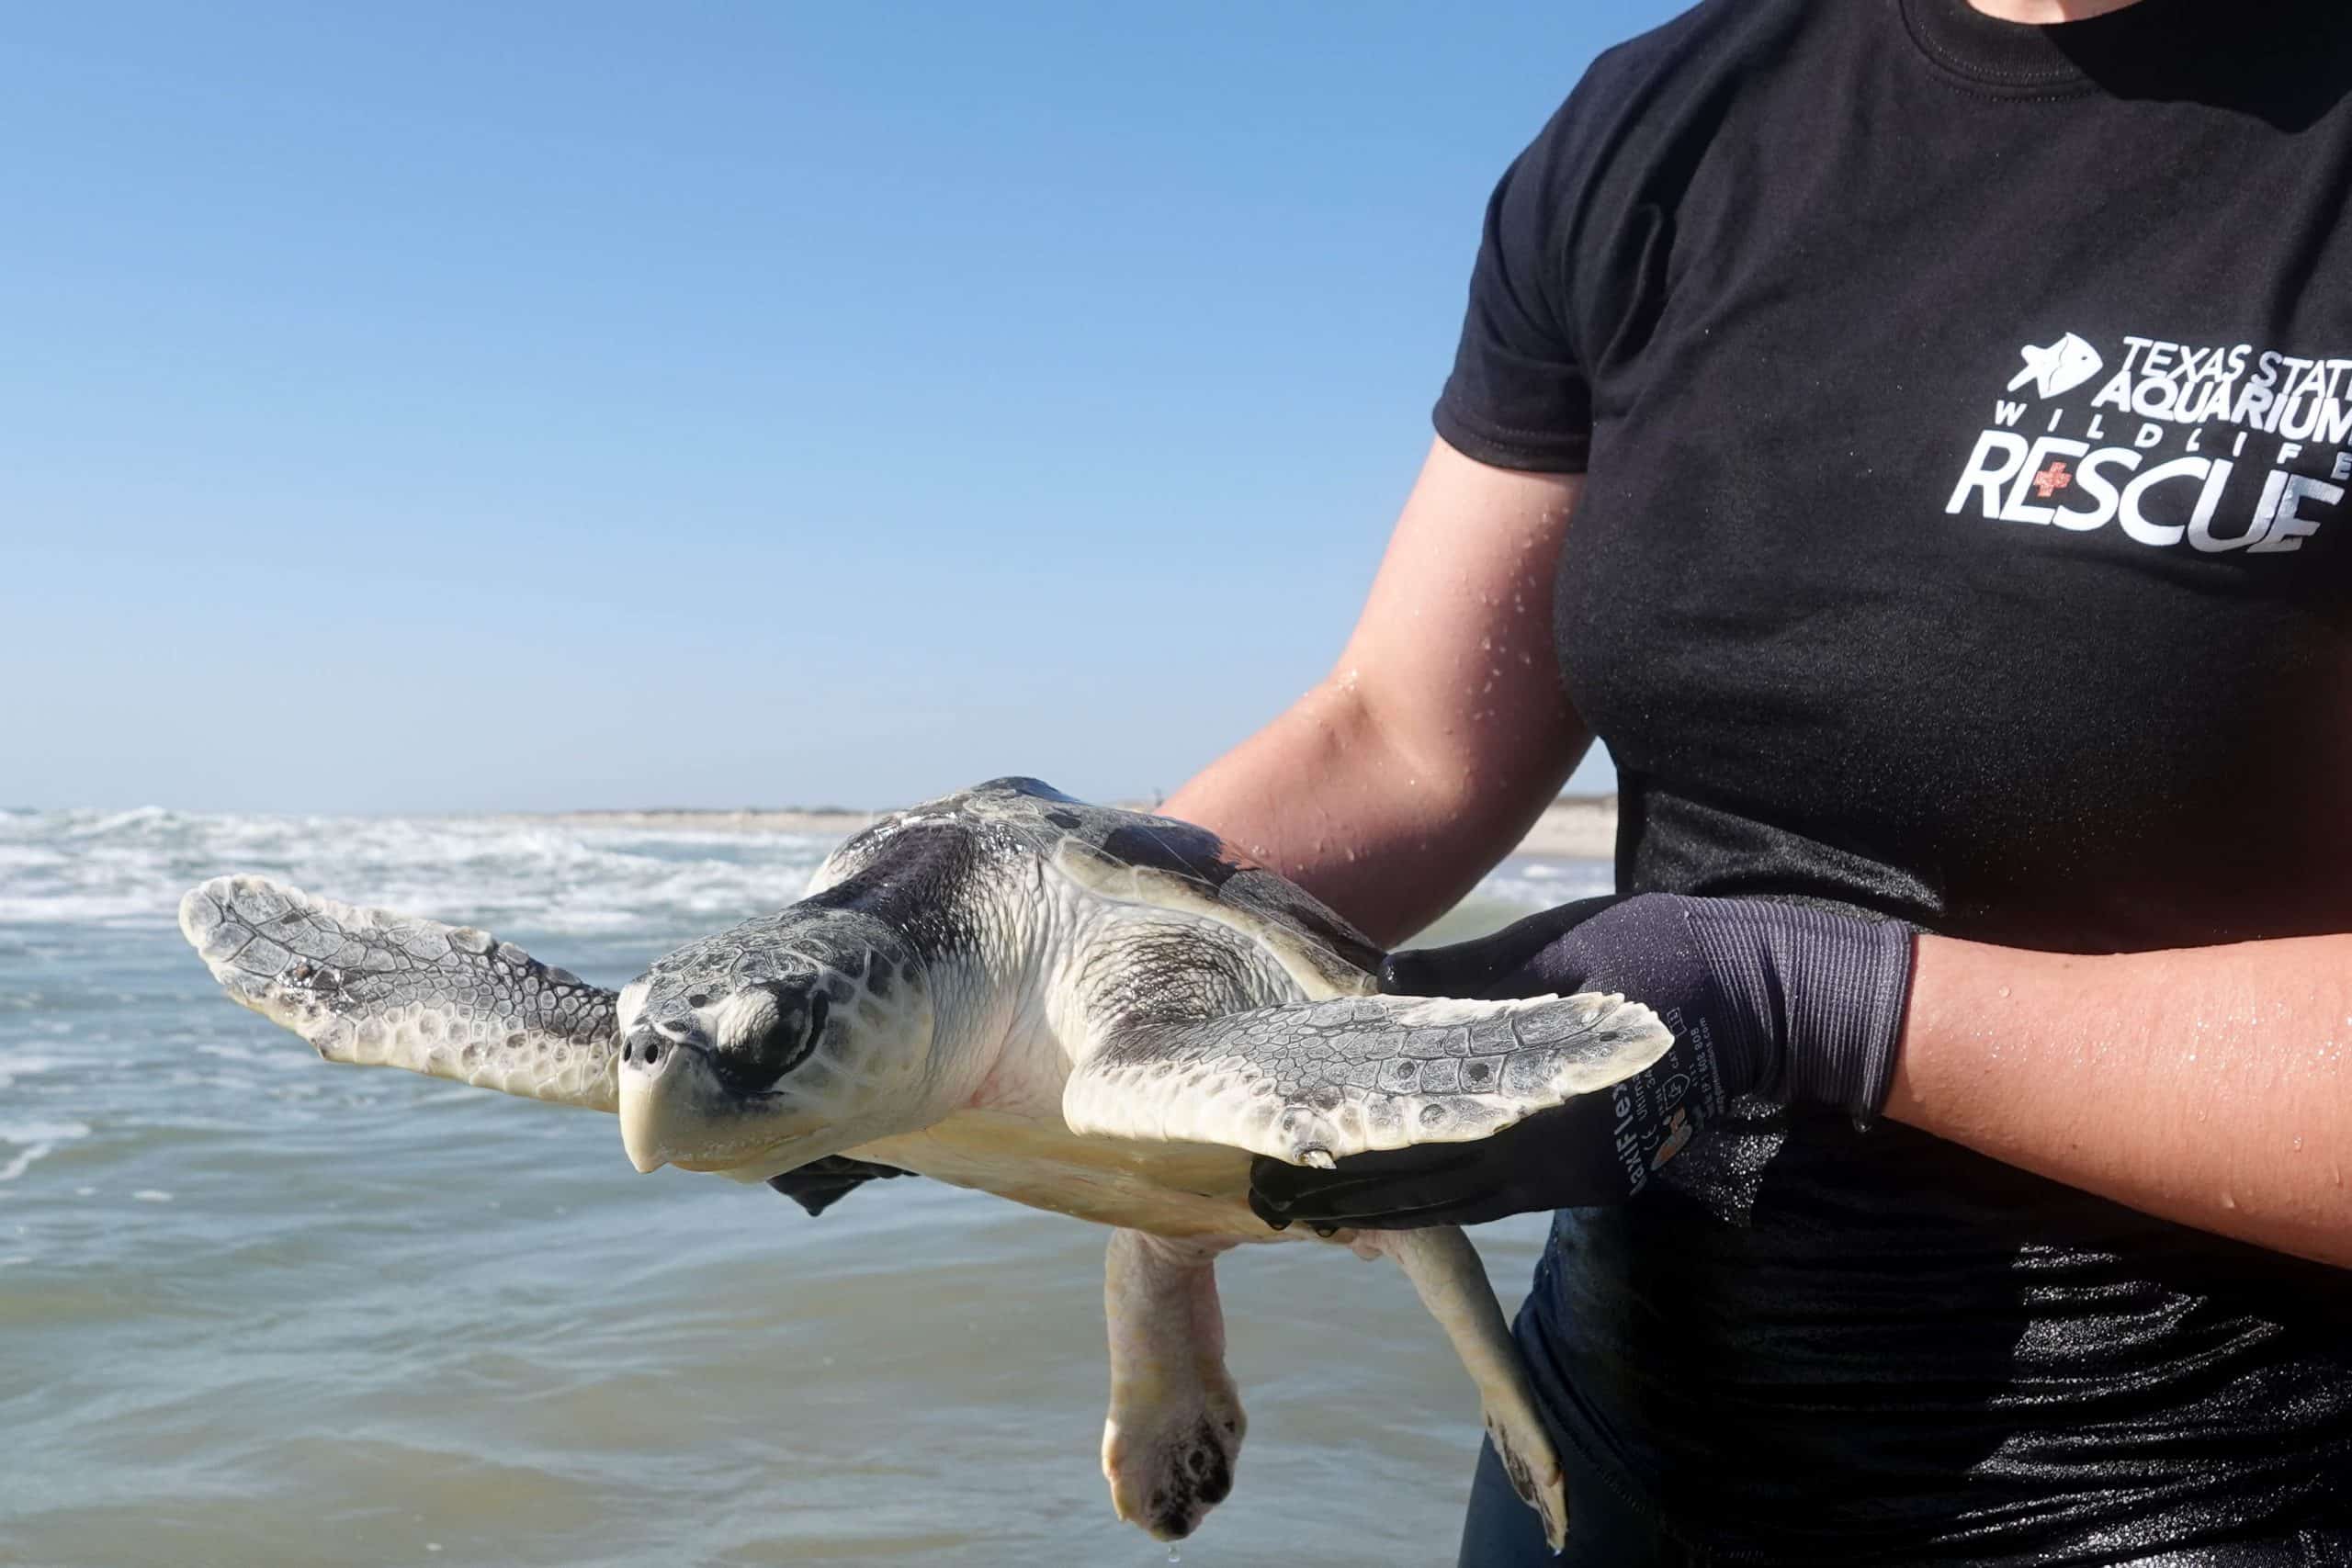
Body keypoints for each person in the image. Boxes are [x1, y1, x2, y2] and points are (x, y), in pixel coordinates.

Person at [1156, 0, 2352, 1562]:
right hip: (1609, 1447)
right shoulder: (1668, 121)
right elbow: (1407, 738)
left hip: (2208, 1490)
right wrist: (1036, 933)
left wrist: (1795, 998)